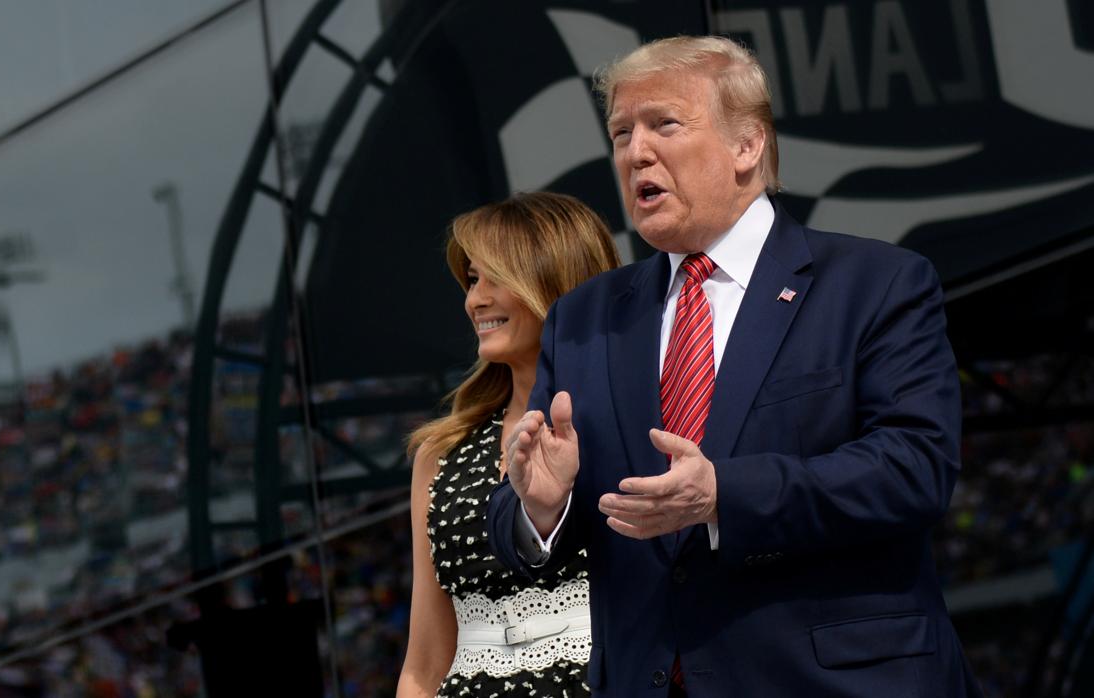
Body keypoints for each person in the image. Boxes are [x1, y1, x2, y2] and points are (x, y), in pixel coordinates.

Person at [486, 36, 982, 697]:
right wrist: (542, 507)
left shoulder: (875, 284)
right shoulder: (584, 318)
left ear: (747, 146)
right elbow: (524, 524)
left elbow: (914, 469)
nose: (637, 152)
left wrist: (726, 494)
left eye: (664, 123)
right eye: (622, 132)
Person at [397, 192, 621, 697]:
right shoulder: (440, 455)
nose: (474, 299)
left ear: (555, 281)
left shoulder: (634, 425)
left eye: (496, 276)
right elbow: (424, 661)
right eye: (474, 278)